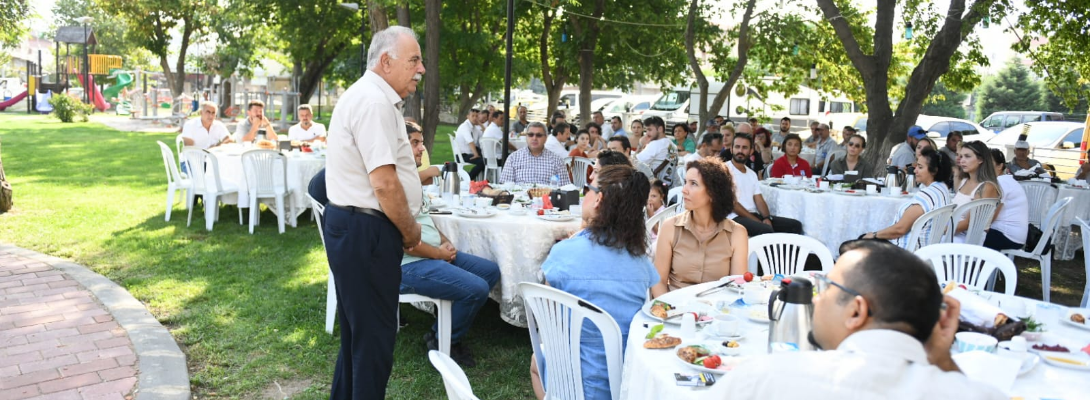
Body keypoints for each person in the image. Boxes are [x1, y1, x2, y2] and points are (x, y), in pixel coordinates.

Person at [718, 240, 1007, 400]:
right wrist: (943, 361)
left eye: (827, 288)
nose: (816, 300)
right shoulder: (977, 393)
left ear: (856, 311)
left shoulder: (762, 380)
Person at [322, 26, 425, 399]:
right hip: (367, 232)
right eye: (414, 59)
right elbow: (383, 183)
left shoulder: (371, 97)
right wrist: (411, 230)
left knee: (358, 338)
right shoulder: (374, 102)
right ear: (386, 62)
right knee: (374, 345)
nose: (422, 68)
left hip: (357, 229)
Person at [530, 164, 658, 400]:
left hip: (568, 385)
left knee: (535, 363)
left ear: (598, 200)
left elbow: (548, 318)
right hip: (625, 383)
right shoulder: (640, 260)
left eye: (587, 189)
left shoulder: (563, 253)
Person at [399, 125, 500, 368]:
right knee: (475, 287)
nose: (422, 148)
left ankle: (438, 332)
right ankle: (447, 341)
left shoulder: (411, 177)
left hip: (431, 254)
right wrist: (438, 253)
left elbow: (425, 218)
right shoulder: (393, 185)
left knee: (490, 271)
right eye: (415, 143)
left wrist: (445, 241)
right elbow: (406, 244)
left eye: (421, 142)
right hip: (408, 265)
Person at [652, 158, 748, 296]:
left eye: (694, 184)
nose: (684, 190)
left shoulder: (737, 233)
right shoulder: (670, 228)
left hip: (718, 311)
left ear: (713, 193)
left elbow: (737, 286)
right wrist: (669, 311)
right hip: (676, 310)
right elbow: (658, 281)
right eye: (686, 182)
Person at [860, 148, 952, 249]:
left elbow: (900, 230)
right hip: (926, 248)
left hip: (907, 251)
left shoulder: (926, 196)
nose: (915, 170)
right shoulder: (942, 189)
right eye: (916, 166)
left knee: (855, 244)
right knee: (861, 241)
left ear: (934, 171)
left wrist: (874, 235)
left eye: (920, 167)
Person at [728, 134, 804, 236]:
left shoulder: (751, 174)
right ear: (731, 149)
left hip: (753, 215)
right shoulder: (724, 170)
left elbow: (759, 199)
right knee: (765, 230)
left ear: (751, 151)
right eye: (737, 147)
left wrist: (767, 218)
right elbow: (732, 204)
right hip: (733, 217)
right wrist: (757, 221)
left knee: (795, 225)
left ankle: (787, 252)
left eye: (745, 147)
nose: (740, 151)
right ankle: (775, 252)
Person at [951, 141, 1001, 242]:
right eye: (961, 156)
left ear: (980, 159)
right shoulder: (964, 181)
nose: (962, 160)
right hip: (953, 231)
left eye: (967, 156)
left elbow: (970, 222)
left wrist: (942, 230)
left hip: (967, 239)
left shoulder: (987, 186)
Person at [500, 122, 572, 186]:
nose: (534, 138)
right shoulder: (513, 158)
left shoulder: (557, 160)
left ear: (546, 138)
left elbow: (565, 187)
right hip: (519, 199)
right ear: (526, 137)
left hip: (546, 199)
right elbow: (504, 186)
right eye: (531, 135)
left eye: (539, 135)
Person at [985, 149, 1029, 251]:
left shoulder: (1000, 182)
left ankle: (975, 265)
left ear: (1000, 166)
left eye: (989, 163)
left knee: (969, 235)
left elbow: (990, 218)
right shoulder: (1006, 179)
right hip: (1015, 235)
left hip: (1008, 236)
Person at [635, 116, 678, 186]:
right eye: (646, 130)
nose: (647, 133)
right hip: (669, 185)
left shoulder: (655, 144)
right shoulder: (671, 143)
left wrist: (640, 145)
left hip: (656, 186)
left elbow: (634, 163)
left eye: (649, 130)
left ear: (660, 129)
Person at [454, 109, 485, 180]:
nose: (475, 118)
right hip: (463, 155)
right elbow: (470, 141)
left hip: (470, 154)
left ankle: (480, 179)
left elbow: (484, 135)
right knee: (483, 162)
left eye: (477, 116)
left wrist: (480, 124)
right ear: (468, 116)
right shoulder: (464, 127)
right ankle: (469, 178)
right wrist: (476, 154)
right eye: (473, 116)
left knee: (486, 160)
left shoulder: (474, 128)